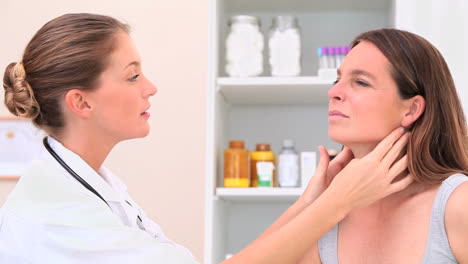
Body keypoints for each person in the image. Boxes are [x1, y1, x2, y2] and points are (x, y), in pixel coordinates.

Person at [0, 14, 412, 264]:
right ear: (81, 103)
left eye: (360, 82)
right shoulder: (56, 216)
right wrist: (339, 203)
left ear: (412, 108)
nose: (151, 87)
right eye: (132, 75)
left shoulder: (96, 185)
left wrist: (313, 203)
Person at [298, 28, 468, 263]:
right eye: (337, 80)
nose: (333, 91)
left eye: (360, 82)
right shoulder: (327, 212)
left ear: (412, 110)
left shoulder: (458, 202)